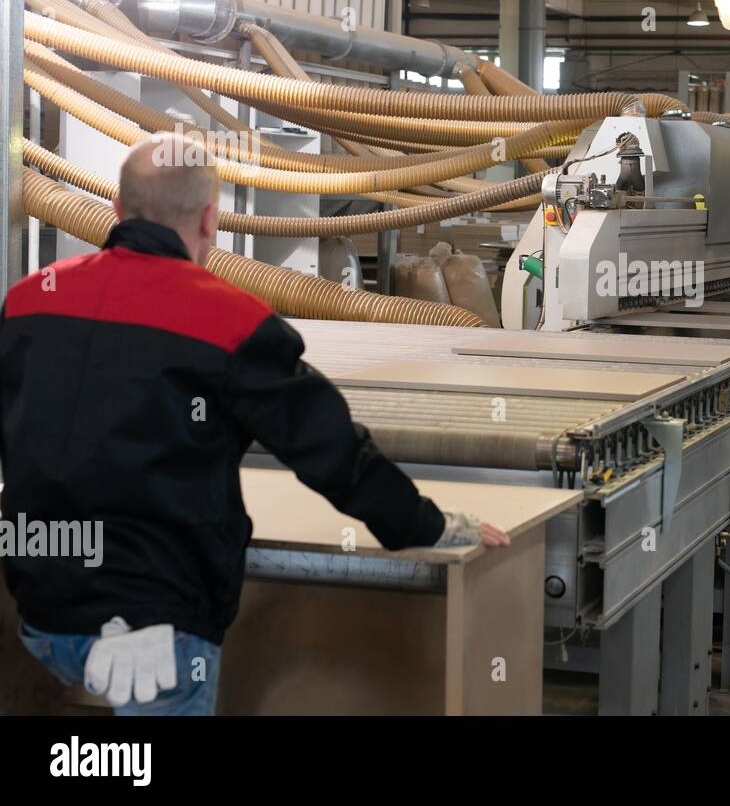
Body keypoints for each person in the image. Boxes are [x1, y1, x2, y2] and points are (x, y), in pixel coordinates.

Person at [0, 131, 508, 715]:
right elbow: (334, 455)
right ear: (211, 219)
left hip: (40, 613)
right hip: (156, 629)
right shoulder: (228, 320)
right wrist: (429, 525)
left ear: (115, 210)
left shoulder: (31, 299)